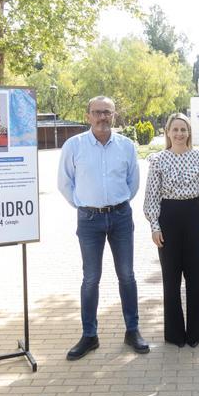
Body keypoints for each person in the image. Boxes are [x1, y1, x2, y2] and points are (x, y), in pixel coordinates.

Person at [57, 96, 149, 360]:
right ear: (88, 116)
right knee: (91, 278)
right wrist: (84, 205)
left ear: (114, 115)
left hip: (120, 217)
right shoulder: (73, 146)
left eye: (106, 112)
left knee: (127, 275)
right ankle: (89, 335)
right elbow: (65, 182)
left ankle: (132, 330)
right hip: (89, 220)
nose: (102, 117)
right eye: (96, 112)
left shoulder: (126, 146)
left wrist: (116, 204)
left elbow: (133, 183)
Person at [144, 113, 199, 347]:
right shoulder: (158, 160)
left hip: (194, 216)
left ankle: (196, 333)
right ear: (167, 133)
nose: (179, 134)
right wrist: (155, 226)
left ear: (189, 133)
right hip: (168, 217)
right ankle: (174, 334)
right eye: (174, 130)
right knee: (171, 277)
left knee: (196, 277)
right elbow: (151, 196)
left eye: (183, 130)